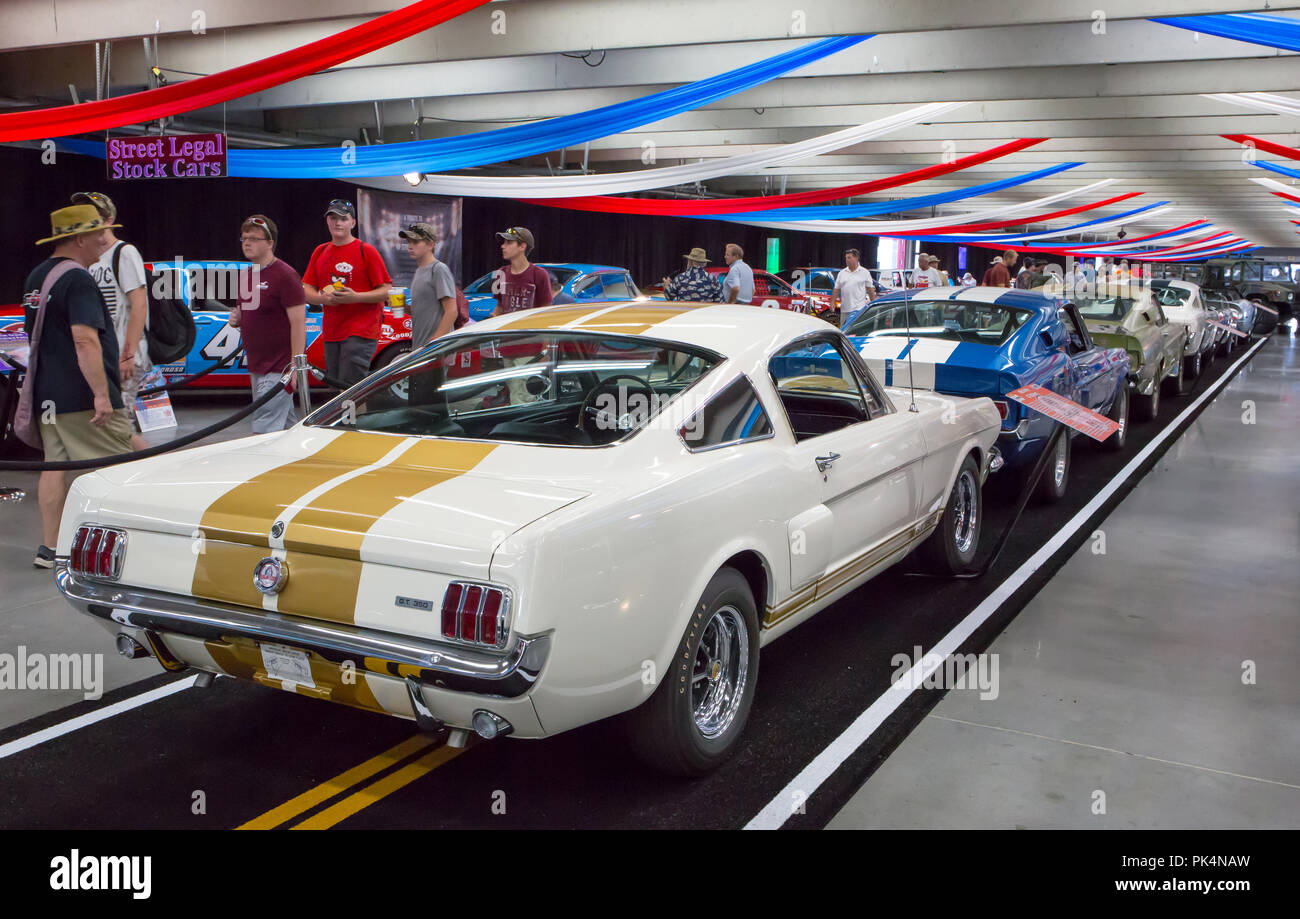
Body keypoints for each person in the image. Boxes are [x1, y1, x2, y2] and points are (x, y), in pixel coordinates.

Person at [23, 204, 131, 568]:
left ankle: (50, 547)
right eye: (99, 232)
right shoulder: (79, 280)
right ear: (80, 238)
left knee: (54, 467)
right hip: (81, 397)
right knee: (116, 465)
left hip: (47, 395)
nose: (104, 239)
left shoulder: (37, 277)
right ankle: (114, 549)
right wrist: (101, 394)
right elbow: (84, 340)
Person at [72, 192, 148, 451]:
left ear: (108, 220)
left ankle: (145, 472)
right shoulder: (88, 259)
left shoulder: (124, 253)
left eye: (94, 216)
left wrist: (127, 354)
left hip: (123, 355)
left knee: (121, 425)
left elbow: (139, 303)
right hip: (103, 354)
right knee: (112, 424)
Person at [302, 199, 391, 388]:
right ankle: (346, 418)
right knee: (335, 387)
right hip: (332, 331)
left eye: (343, 218)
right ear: (327, 221)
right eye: (333, 218)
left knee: (350, 387)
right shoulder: (320, 251)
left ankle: (355, 417)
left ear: (353, 223)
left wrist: (356, 297)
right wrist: (321, 299)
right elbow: (306, 288)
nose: (338, 222)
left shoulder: (365, 250)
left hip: (361, 330)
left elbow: (386, 291)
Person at [228, 215, 306, 434]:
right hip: (257, 365)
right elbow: (247, 312)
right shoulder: (246, 275)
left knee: (263, 430)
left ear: (270, 243)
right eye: (244, 238)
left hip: (278, 366)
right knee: (286, 428)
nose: (247, 243)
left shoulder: (286, 275)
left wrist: (295, 367)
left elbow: (299, 323)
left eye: (254, 238)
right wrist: (238, 319)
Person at [400, 223, 458, 344]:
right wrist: (404, 307)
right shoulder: (419, 271)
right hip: (421, 346)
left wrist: (435, 343)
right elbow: (425, 311)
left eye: (415, 242)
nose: (410, 246)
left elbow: (452, 311)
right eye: (409, 242)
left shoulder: (438, 269)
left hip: (435, 350)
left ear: (431, 244)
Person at [488, 227, 552, 316]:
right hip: (507, 328)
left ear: (522, 246)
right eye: (504, 242)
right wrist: (494, 317)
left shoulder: (539, 274)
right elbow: (500, 306)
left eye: (509, 243)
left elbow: (546, 309)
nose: (503, 246)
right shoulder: (501, 273)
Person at [832, 248, 875, 327]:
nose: (847, 260)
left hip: (859, 310)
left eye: (849, 258)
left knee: (857, 330)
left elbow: (870, 290)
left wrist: (873, 304)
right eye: (846, 258)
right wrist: (832, 302)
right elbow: (836, 289)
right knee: (844, 331)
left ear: (856, 258)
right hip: (845, 309)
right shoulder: (842, 273)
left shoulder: (865, 272)